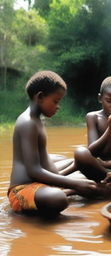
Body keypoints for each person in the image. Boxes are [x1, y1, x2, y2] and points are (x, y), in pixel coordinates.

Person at [8, 71, 99, 216]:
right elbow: (33, 171)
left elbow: (43, 164)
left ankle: (70, 188)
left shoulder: (36, 120)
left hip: (39, 183)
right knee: (58, 199)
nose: (58, 107)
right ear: (40, 97)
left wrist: (75, 169)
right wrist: (75, 184)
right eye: (56, 101)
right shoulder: (28, 122)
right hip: (22, 190)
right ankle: (70, 191)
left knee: (64, 162)